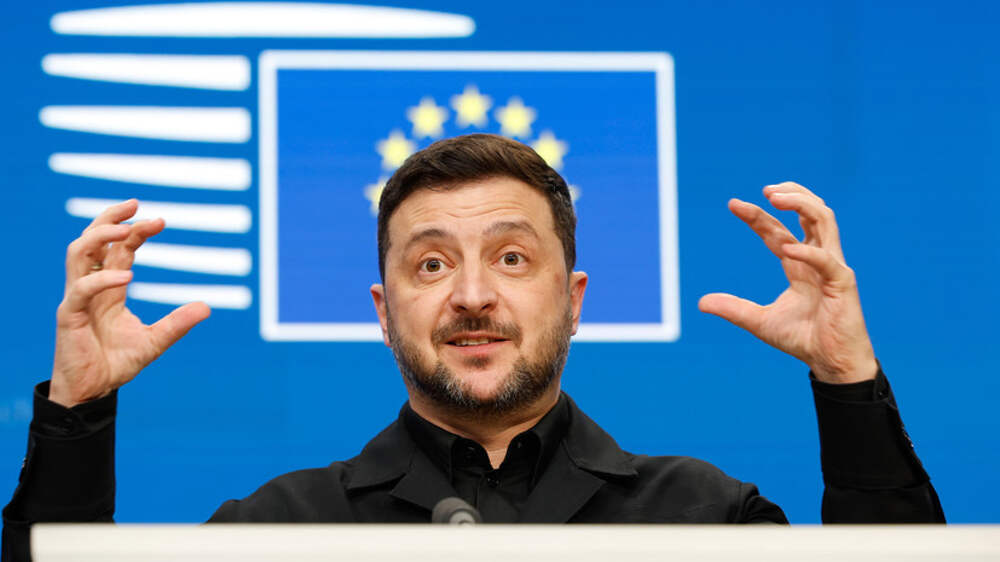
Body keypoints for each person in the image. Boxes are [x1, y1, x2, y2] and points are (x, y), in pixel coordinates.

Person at [2, 134, 943, 561]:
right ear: (384, 310)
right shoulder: (277, 531)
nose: (473, 295)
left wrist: (846, 380)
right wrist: (78, 412)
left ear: (573, 299)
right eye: (431, 265)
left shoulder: (704, 519)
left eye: (512, 257)